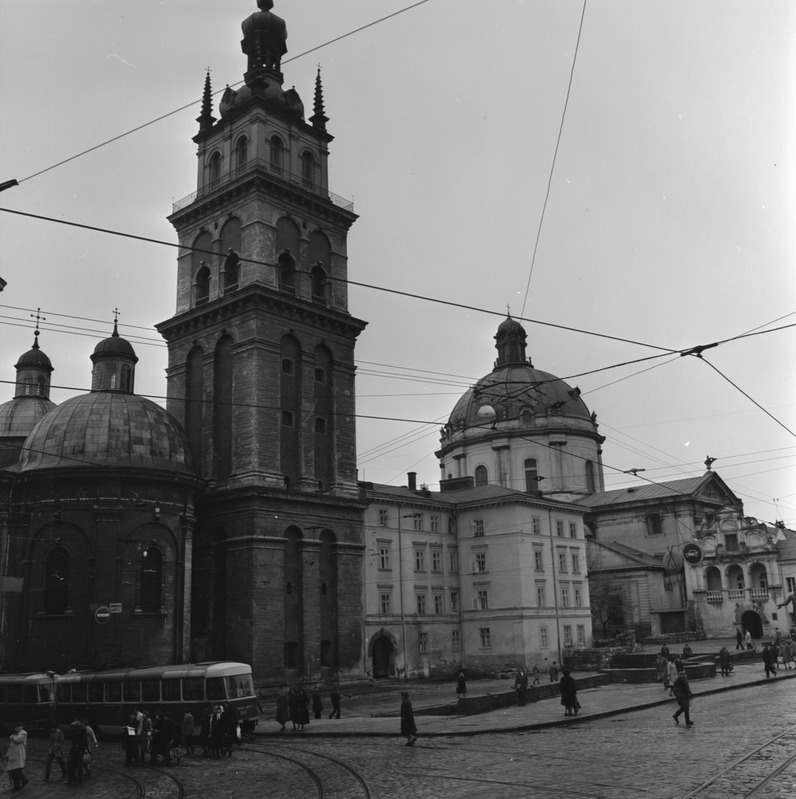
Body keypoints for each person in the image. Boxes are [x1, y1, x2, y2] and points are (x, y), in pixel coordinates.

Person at [7, 722, 29, 791]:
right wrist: (8, 754)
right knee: (13, 770)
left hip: (19, 754)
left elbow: (16, 740)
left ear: (21, 727)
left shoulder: (23, 733)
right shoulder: (15, 734)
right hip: (13, 754)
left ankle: (24, 780)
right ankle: (17, 785)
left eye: (17, 727)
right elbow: (11, 738)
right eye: (15, 727)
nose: (16, 728)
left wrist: (14, 736)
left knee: (17, 769)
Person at [67, 717, 88, 784]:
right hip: (74, 748)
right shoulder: (74, 727)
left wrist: (83, 749)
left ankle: (79, 780)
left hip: (79, 749)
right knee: (70, 763)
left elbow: (84, 740)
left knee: (79, 765)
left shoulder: (82, 728)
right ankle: (71, 778)